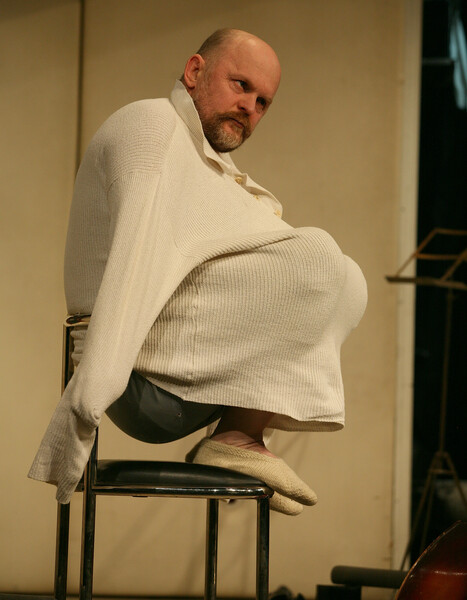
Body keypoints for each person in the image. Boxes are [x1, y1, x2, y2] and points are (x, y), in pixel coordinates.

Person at [29, 29, 367, 515]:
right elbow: (136, 254)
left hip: (192, 371)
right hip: (140, 377)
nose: (249, 106)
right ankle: (238, 436)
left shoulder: (210, 168)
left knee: (348, 279)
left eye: (263, 101)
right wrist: (84, 406)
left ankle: (238, 435)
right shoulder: (151, 125)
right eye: (240, 85)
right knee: (318, 253)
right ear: (194, 72)